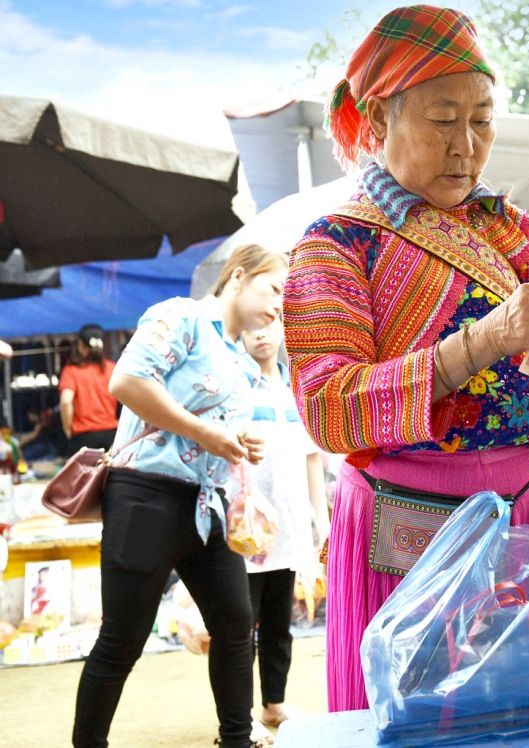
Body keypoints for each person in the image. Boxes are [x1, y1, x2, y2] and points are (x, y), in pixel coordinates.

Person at [282, 5, 529, 712]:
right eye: (443, 119)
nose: (468, 145)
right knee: (422, 712)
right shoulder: (335, 245)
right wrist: (480, 341)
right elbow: (328, 408)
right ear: (379, 118)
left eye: (482, 120)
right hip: (409, 532)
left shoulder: (513, 233)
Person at [72, 244, 286, 748]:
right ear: (238, 276)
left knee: (236, 625)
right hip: (145, 495)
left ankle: (237, 738)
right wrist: (206, 434)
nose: (281, 302)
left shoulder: (242, 359)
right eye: (274, 287)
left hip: (206, 506)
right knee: (122, 639)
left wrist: (237, 443)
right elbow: (126, 381)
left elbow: (211, 430)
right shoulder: (182, 316)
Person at [241, 317, 328, 728]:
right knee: (241, 627)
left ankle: (273, 704)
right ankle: (239, 716)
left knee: (279, 622)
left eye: (269, 323)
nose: (260, 333)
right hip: (248, 530)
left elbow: (313, 460)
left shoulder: (297, 393)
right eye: (250, 327)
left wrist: (321, 522)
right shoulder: (236, 390)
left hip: (290, 528)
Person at [58, 324, 120, 454]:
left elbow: (66, 401)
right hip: (113, 436)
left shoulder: (72, 371)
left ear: (80, 344)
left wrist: (67, 429)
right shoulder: (114, 368)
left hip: (84, 437)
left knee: (85, 474)